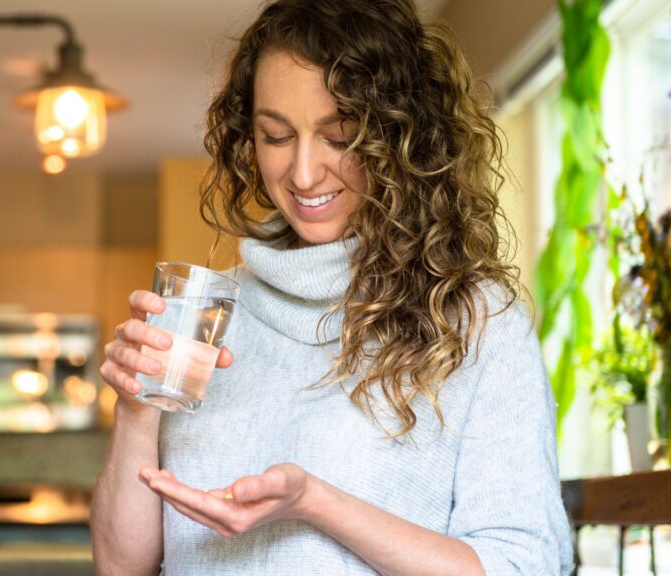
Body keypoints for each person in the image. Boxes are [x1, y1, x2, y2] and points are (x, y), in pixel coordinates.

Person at [91, 0, 574, 574]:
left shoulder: (474, 322)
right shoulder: (209, 320)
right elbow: (122, 568)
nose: (301, 173)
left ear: (401, 137)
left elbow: (525, 564)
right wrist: (136, 410)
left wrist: (317, 504)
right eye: (275, 135)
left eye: (339, 135)